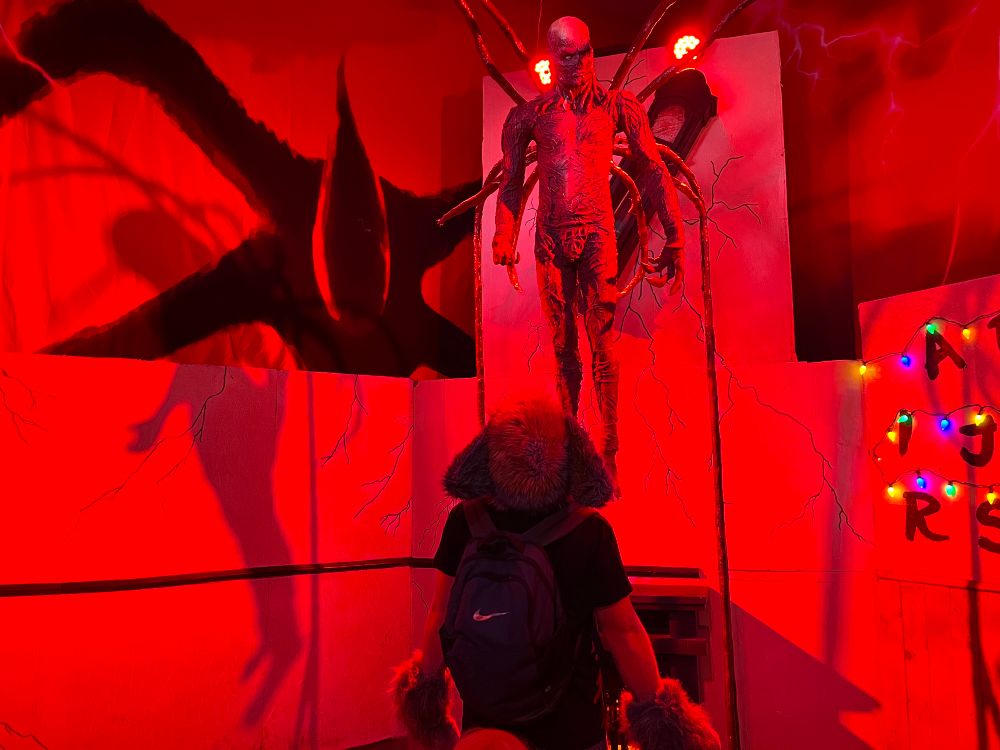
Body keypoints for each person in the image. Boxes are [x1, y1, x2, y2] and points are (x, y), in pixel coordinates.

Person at [393, 394, 720, 750]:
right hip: (571, 728)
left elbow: (440, 614)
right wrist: (666, 725)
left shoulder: (466, 521)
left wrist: (427, 709)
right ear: (568, 455)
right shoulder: (588, 530)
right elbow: (622, 632)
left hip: (487, 722)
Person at [492, 17, 686, 489]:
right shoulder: (529, 116)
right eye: (567, 57)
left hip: (598, 233)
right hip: (552, 237)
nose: (577, 64)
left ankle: (609, 450)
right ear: (554, 59)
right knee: (563, 347)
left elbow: (654, 169)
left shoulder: (619, 107)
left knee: (602, 342)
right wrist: (504, 232)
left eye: (583, 54)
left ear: (592, 53)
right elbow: (511, 180)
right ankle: (570, 447)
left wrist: (675, 234)